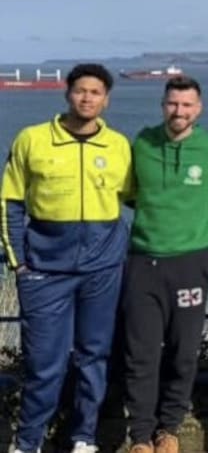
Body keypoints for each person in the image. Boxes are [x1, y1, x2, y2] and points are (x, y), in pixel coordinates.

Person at [1, 63, 133, 453]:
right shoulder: (32, 140)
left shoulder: (118, 145)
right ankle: (27, 442)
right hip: (44, 271)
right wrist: (19, 264)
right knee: (45, 363)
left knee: (94, 358)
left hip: (103, 270)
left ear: (106, 99)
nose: (88, 98)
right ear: (67, 93)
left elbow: (137, 199)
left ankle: (83, 438)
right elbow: (10, 202)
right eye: (81, 90)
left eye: (96, 92)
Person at [124, 76, 208, 453]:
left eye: (187, 105)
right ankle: (139, 435)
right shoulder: (142, 144)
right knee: (142, 353)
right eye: (172, 103)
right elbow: (129, 194)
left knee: (184, 352)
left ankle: (169, 428)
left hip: (190, 264)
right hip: (143, 262)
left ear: (198, 109)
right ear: (163, 105)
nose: (179, 111)